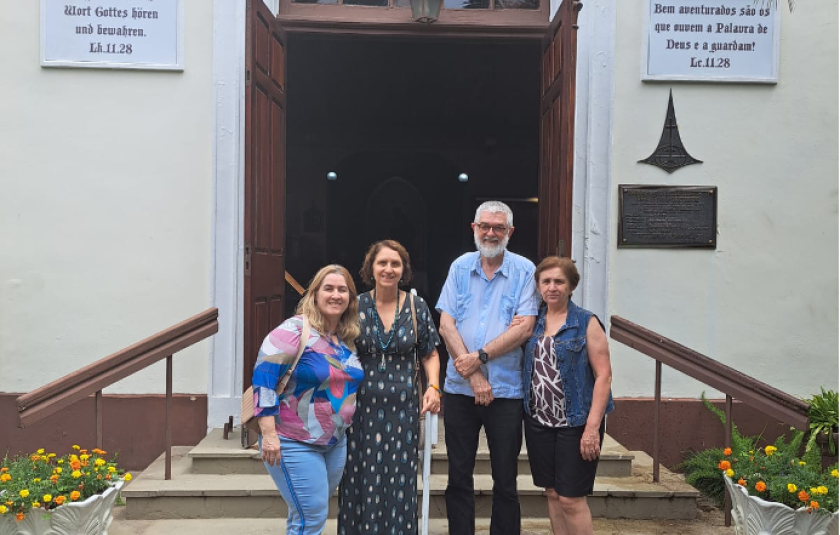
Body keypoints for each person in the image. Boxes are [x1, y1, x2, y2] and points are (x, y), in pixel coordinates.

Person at [436, 200, 539, 535]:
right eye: (485, 226)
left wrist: (478, 357)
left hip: (506, 391)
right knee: (458, 477)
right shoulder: (459, 267)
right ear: (474, 228)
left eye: (498, 228)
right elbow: (446, 325)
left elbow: (523, 329)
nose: (491, 233)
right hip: (459, 390)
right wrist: (475, 373)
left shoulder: (525, 271)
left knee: (506, 480)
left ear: (510, 232)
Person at [251, 264, 364, 535]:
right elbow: (263, 378)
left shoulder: (346, 338)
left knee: (305, 514)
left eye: (342, 289)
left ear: (350, 297)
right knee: (311, 516)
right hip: (292, 441)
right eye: (328, 289)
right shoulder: (295, 330)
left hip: (335, 442)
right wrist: (268, 435)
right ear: (315, 294)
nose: (335, 295)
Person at [338, 239, 442, 535]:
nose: (388, 269)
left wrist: (433, 386)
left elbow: (430, 353)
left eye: (395, 263)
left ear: (404, 269)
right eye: (382, 263)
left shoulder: (415, 305)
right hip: (360, 412)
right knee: (359, 478)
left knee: (399, 480)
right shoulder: (354, 305)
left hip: (403, 411)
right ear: (371, 268)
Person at [522, 256, 614, 535]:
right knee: (551, 492)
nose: (552, 287)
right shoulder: (531, 323)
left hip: (576, 424)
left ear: (571, 286)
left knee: (571, 498)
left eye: (559, 281)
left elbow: (604, 377)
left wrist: (592, 429)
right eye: (546, 281)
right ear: (538, 286)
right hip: (539, 421)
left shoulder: (586, 322)